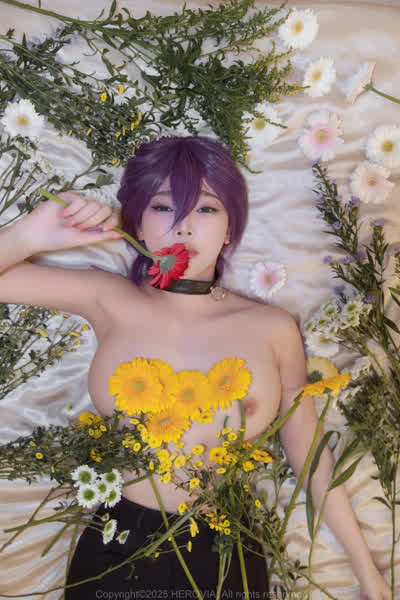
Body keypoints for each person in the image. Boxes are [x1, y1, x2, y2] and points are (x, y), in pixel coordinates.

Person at [0, 136, 391, 599]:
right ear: (137, 223)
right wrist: (31, 235)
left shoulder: (271, 328)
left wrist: (368, 574)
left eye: (206, 208)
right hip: (118, 544)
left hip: (225, 551)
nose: (183, 227)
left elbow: (310, 458)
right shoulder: (108, 297)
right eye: (163, 206)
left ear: (230, 228)